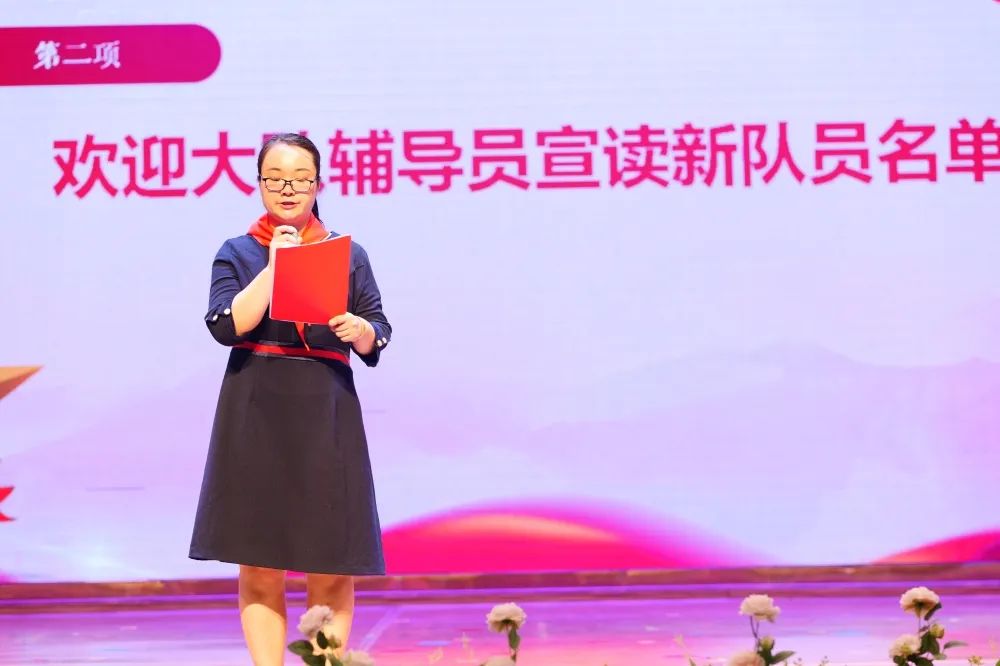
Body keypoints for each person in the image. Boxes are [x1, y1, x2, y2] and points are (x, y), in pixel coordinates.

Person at [189, 133, 390, 665]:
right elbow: (226, 325)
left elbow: (378, 330)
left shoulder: (347, 253)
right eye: (275, 179)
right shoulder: (237, 252)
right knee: (259, 563)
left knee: (331, 562)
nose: (287, 189)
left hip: (326, 412)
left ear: (318, 185)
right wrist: (278, 266)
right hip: (256, 409)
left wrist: (359, 330)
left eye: (300, 179)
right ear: (258, 184)